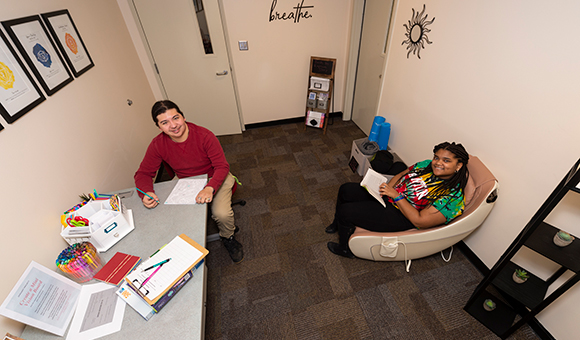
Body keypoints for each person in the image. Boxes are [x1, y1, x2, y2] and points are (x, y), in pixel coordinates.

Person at [134, 100, 244, 263]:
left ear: (183, 117)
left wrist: (209, 188)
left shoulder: (205, 136)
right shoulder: (157, 144)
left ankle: (228, 237)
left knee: (221, 214)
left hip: (214, 176)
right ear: (159, 127)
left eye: (175, 118)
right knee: (176, 215)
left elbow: (221, 166)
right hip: (186, 179)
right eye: (165, 122)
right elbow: (143, 173)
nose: (173, 125)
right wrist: (146, 191)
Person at [325, 142, 469, 258]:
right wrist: (386, 189)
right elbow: (401, 174)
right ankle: (337, 224)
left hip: (403, 216)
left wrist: (395, 195)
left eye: (446, 160)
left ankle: (344, 249)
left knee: (347, 211)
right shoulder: (426, 165)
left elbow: (419, 220)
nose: (438, 163)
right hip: (391, 196)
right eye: (436, 157)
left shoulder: (452, 198)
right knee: (346, 189)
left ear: (458, 165)